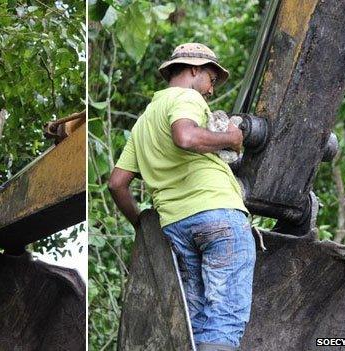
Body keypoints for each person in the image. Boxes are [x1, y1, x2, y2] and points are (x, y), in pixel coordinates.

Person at [108, 43, 256, 351]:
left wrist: (141, 225)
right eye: (211, 81)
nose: (211, 91)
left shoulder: (143, 122)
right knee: (225, 314)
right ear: (194, 70)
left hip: (176, 227)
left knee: (195, 319)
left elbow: (117, 184)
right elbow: (185, 137)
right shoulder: (186, 97)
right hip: (218, 214)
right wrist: (231, 138)